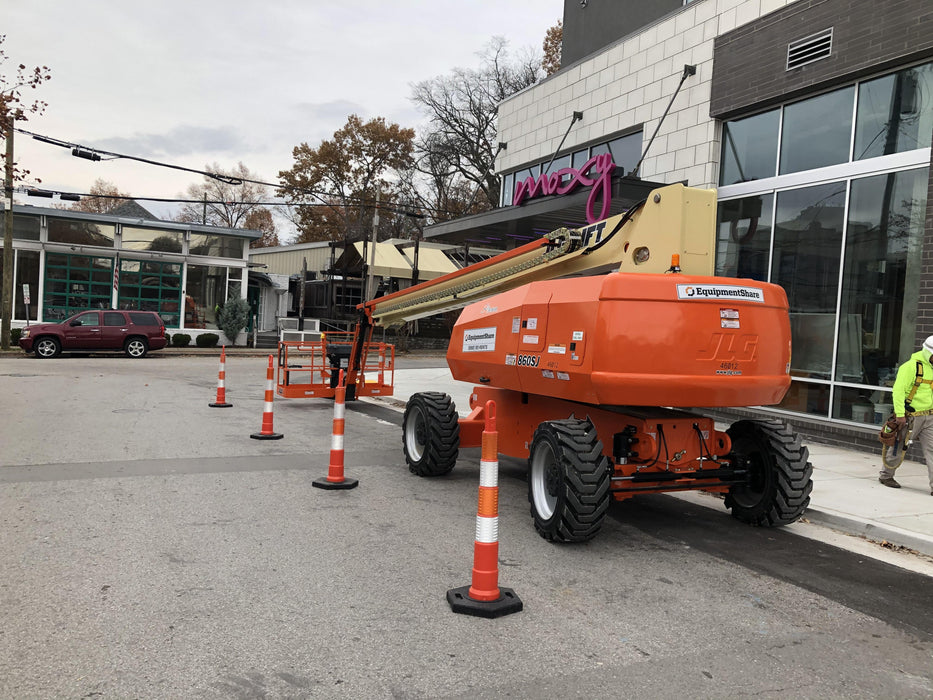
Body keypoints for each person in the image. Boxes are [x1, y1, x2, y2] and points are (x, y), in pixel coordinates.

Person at [880, 335, 933, 494]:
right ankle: (886, 475)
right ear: (928, 352)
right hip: (910, 417)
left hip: (930, 417)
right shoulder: (910, 367)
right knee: (898, 446)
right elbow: (898, 391)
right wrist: (900, 415)